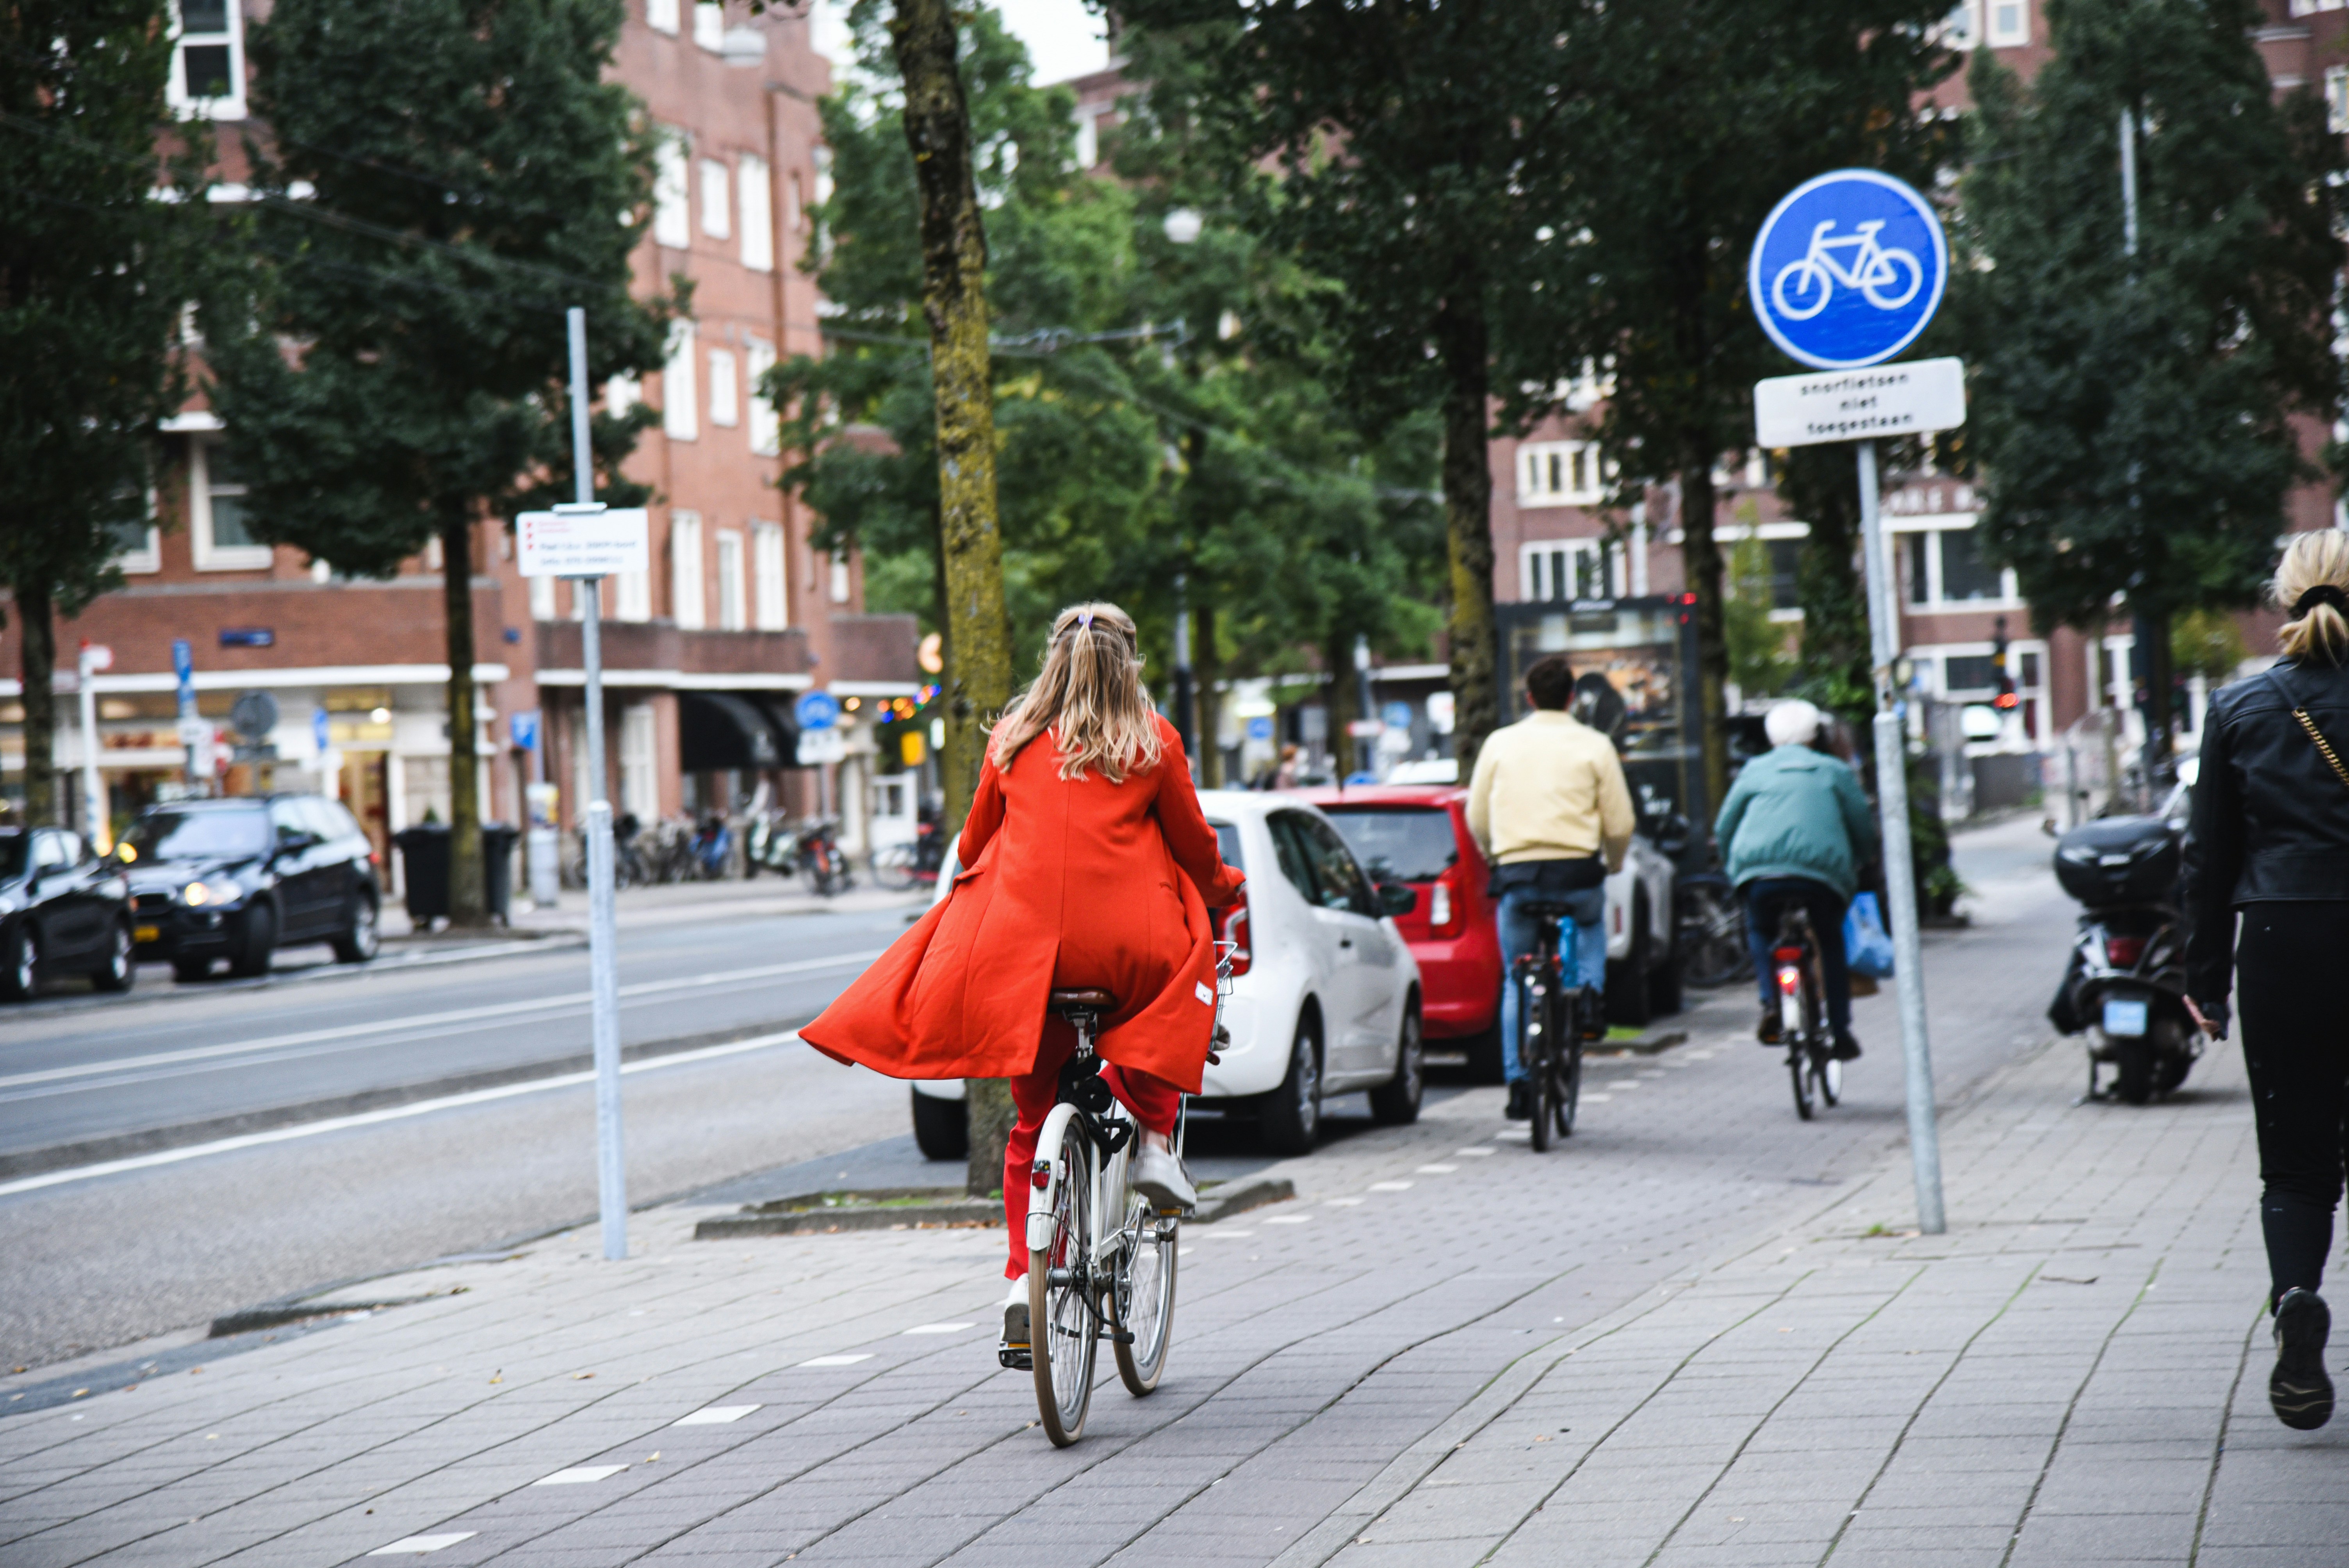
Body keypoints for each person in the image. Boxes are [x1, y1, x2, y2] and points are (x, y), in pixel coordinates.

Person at [801, 603, 1245, 1360]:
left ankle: (1019, 1281)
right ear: (1129, 663)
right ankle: (1150, 1139)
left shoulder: (1011, 739)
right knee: (1176, 978)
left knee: (1032, 1122)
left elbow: (975, 840)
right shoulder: (1152, 739)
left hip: (1027, 958)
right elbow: (1192, 846)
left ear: (1051, 662)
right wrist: (1224, 888)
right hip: (1125, 952)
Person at [2181, 531, 2349, 1431]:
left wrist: (2203, 976)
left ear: (2282, 596)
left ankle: (2295, 1297)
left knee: (2294, 1158)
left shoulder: (2239, 707)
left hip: (2283, 937)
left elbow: (2208, 856)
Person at [1466, 653, 1636, 1121]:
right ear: (1571, 698)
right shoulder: (1595, 745)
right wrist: (1612, 861)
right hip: (1577, 872)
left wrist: (1496, 856)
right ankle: (1590, 998)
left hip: (1518, 875)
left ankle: (1519, 1085)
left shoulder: (1500, 743)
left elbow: (1477, 814)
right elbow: (1620, 822)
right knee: (1590, 923)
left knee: (1515, 978)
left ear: (1529, 698)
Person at [1713, 698, 1877, 1060]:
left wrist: (1731, 866)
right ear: (1814, 735)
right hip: (1822, 875)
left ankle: (1771, 1003)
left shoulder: (1754, 771)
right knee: (1830, 942)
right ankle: (1840, 1031)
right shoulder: (1834, 771)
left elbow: (1725, 826)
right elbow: (1862, 827)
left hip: (1759, 872)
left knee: (1760, 929)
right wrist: (1861, 859)